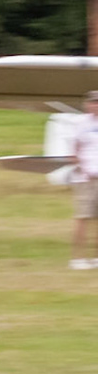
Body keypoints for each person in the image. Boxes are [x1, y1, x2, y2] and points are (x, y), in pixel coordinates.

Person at [72, 90, 98, 270]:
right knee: (82, 217)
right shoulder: (80, 124)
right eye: (93, 102)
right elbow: (73, 153)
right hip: (86, 179)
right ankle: (77, 259)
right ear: (87, 104)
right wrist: (84, 169)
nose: (95, 105)